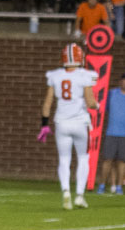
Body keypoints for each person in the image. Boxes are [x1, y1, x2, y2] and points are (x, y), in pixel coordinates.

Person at [38, 43, 98, 209]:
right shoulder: (85, 75)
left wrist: (44, 124)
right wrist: (97, 106)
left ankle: (66, 191)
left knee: (64, 159)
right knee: (83, 158)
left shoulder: (55, 75)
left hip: (61, 122)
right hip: (80, 122)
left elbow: (47, 102)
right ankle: (79, 194)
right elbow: (91, 102)